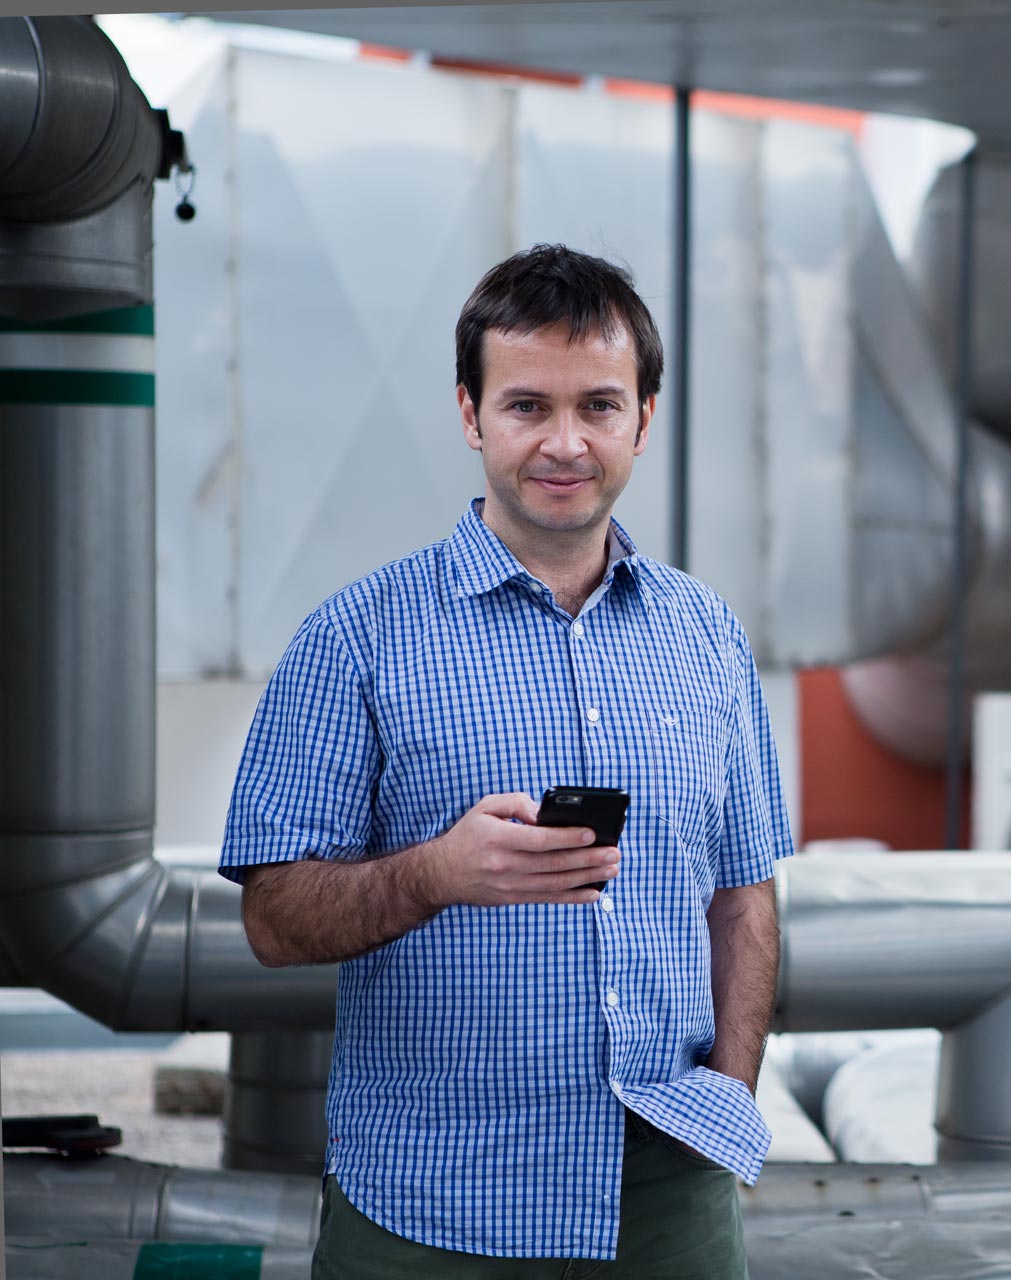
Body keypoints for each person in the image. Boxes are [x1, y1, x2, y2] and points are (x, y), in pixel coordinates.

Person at [219, 244, 791, 1278]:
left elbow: (744, 895)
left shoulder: (706, 635)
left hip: (666, 1200)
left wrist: (731, 1091)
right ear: (469, 412)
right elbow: (270, 919)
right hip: (429, 1207)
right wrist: (436, 873)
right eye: (527, 405)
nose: (565, 442)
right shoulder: (357, 637)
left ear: (643, 419)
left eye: (599, 406)